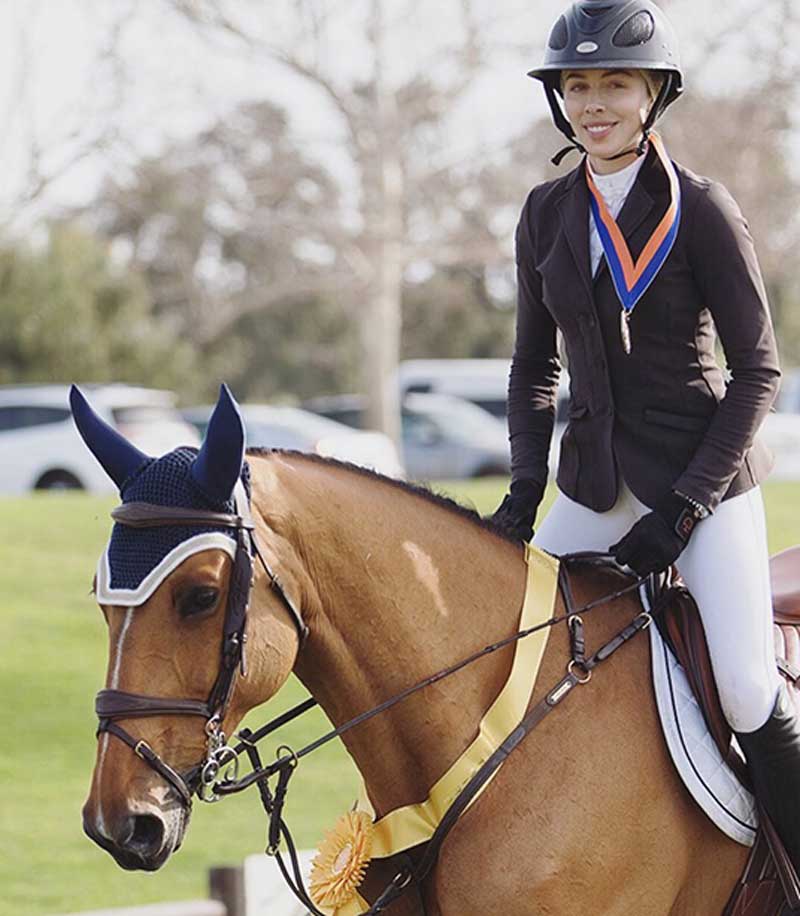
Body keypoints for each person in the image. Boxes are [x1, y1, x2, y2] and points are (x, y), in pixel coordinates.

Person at [491, 0, 800, 879]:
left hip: (703, 484)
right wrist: (523, 491)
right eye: (578, 86)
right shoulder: (546, 214)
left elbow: (759, 374)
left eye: (614, 84)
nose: (595, 103)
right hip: (588, 490)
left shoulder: (702, 208)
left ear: (653, 93)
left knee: (744, 685)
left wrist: (685, 509)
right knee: (501, 663)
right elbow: (529, 370)